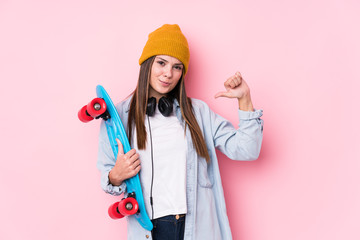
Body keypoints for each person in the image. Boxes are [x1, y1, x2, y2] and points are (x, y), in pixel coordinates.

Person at [97, 24, 264, 240]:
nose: (168, 73)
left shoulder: (198, 113)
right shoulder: (117, 117)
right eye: (162, 63)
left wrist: (245, 99)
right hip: (149, 230)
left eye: (177, 67)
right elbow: (108, 177)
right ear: (147, 63)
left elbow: (247, 150)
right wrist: (116, 175)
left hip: (195, 228)